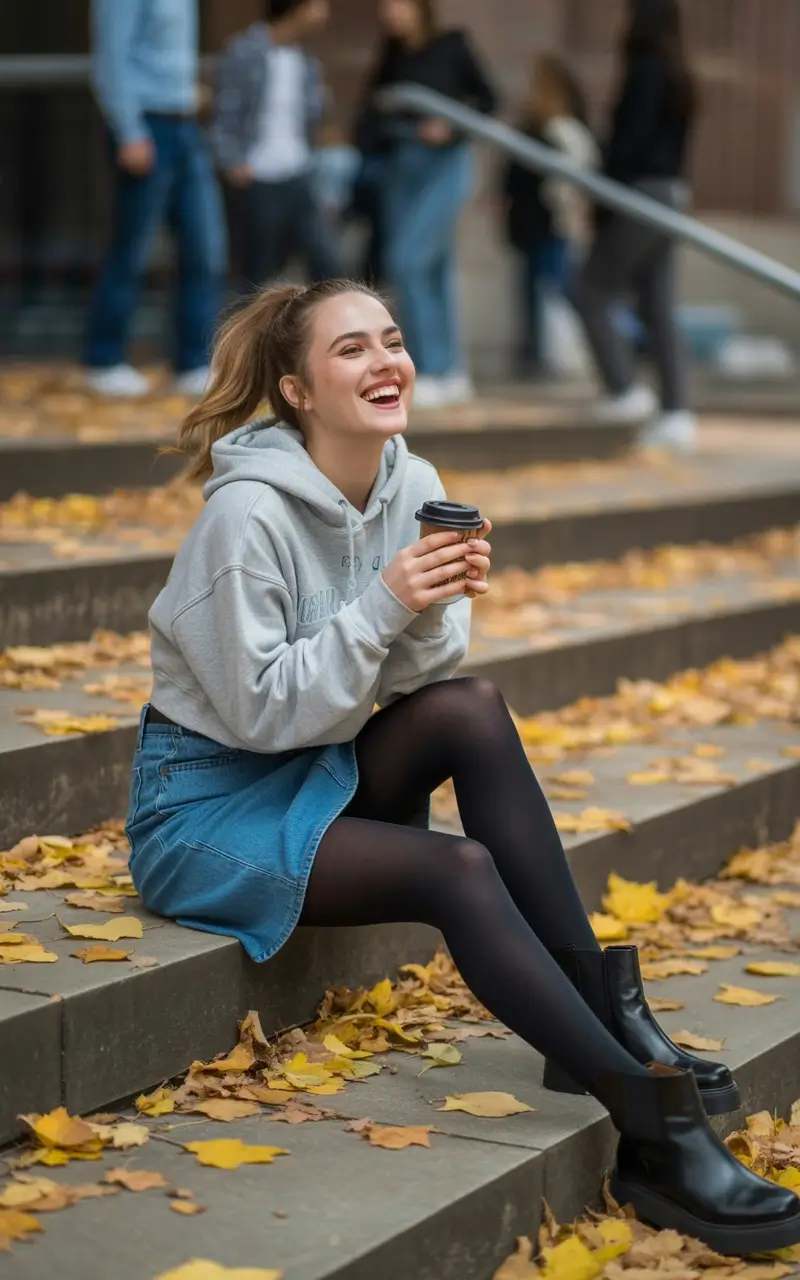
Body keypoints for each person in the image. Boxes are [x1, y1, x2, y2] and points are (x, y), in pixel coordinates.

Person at [124, 276, 800, 1253]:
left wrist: (428, 604)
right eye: (349, 347)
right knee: (458, 866)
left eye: (390, 338)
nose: (384, 359)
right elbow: (260, 712)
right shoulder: (245, 521)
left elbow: (417, 678)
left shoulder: (411, 480)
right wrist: (386, 600)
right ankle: (650, 1123)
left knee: (469, 707)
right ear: (296, 390)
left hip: (309, 763)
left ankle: (605, 1014)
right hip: (207, 807)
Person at [357, 0, 498, 409]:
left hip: (445, 165)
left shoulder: (452, 44)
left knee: (408, 260)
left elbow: (489, 98)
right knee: (433, 266)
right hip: (401, 166)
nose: (388, 11)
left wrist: (450, 125)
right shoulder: (392, 51)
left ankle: (432, 368)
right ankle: (450, 370)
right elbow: (371, 109)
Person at [85, 0, 227, 399]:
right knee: (132, 248)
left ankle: (193, 361)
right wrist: (128, 130)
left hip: (185, 125)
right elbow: (110, 61)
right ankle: (104, 359)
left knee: (205, 247)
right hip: (148, 124)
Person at [573, 0, 697, 449]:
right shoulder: (680, 73)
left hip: (639, 193)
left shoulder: (645, 72)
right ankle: (677, 413)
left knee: (591, 289)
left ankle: (624, 390)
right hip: (671, 193)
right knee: (657, 304)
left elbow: (630, 145)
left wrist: (602, 202)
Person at [211, 0, 342, 294]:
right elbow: (225, 113)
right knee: (255, 272)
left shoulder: (305, 61)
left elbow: (314, 118)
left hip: (299, 172)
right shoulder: (244, 51)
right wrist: (231, 161)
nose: (324, 14)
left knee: (327, 263)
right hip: (258, 176)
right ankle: (243, 340)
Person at [501, 55, 598, 379]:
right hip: (529, 222)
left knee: (559, 287)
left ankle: (592, 344)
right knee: (532, 288)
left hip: (553, 223)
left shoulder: (564, 131)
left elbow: (575, 179)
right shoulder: (531, 127)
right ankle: (534, 351)